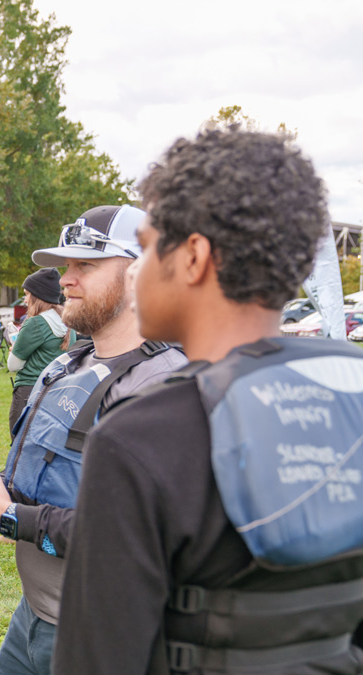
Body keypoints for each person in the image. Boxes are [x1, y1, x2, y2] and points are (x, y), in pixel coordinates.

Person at [54, 130, 363, 673]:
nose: (132, 272)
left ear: (193, 256)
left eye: (146, 248)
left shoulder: (136, 439)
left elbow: (97, 659)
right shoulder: (352, 404)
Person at [0, 204, 188, 675]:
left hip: (107, 635)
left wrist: (9, 517)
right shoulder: (65, 366)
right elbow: (35, 481)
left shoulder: (164, 387)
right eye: (66, 266)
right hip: (32, 618)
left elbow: (138, 534)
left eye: (85, 266)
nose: (65, 280)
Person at [6, 268, 72, 433]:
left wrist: (14, 349)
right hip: (59, 391)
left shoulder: (35, 322)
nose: (25, 300)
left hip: (30, 391)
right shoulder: (67, 321)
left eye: (27, 294)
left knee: (21, 444)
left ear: (38, 296)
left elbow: (13, 365)